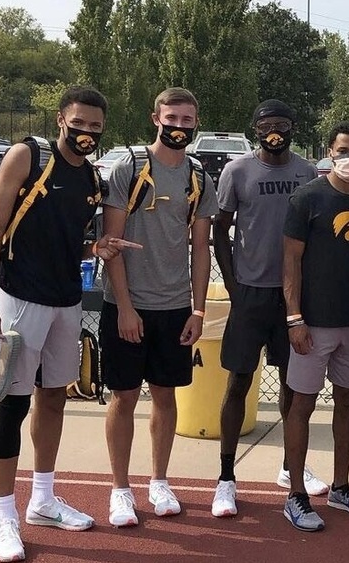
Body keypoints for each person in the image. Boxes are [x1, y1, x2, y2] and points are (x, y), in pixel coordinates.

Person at [0, 86, 134, 563]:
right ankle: (5, 517)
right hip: (17, 297)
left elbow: (69, 242)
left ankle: (43, 500)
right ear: (61, 118)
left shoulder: (92, 181)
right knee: (13, 404)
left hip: (66, 302)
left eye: (95, 127)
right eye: (79, 123)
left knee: (54, 398)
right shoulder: (27, 156)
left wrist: (96, 250)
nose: (86, 132)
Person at [100, 87, 219, 527]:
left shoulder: (200, 178)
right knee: (125, 395)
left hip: (175, 306)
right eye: (172, 118)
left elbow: (202, 248)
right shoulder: (128, 167)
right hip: (127, 304)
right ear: (156, 118)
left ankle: (159, 480)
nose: (179, 127)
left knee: (166, 396)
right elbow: (111, 245)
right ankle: (119, 488)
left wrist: (199, 310)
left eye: (187, 120)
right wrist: (126, 308)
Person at [212, 99, 323, 517]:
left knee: (294, 387)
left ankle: (289, 467)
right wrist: (232, 281)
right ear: (255, 129)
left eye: (282, 123)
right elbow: (220, 229)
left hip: (292, 297)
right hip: (250, 293)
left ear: (293, 126)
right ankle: (226, 477)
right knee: (238, 381)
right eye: (266, 125)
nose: (274, 131)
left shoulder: (307, 172)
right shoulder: (237, 171)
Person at [280, 122, 349, 531]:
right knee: (301, 404)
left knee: (347, 402)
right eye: (342, 149)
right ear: (329, 152)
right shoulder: (307, 197)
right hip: (312, 324)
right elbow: (291, 263)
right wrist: (294, 317)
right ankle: (296, 493)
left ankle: (340, 486)